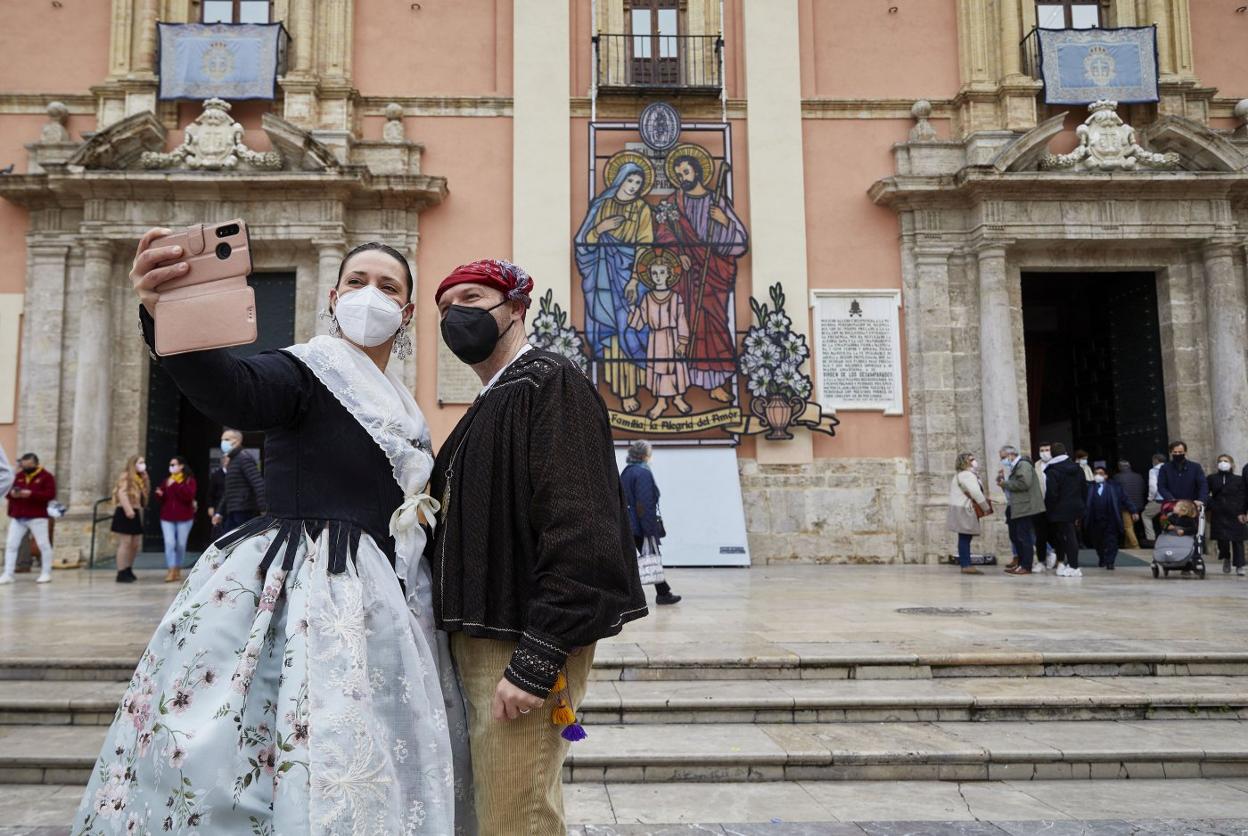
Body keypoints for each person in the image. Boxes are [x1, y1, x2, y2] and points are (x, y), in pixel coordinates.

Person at [74, 233, 466, 834]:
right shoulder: (305, 370)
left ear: (408, 313)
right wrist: (162, 311)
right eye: (357, 282)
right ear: (333, 297)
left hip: (380, 605)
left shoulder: (403, 409)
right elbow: (232, 388)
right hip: (303, 597)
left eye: (388, 287)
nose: (370, 296)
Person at [431, 258, 647, 836]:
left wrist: (537, 658)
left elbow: (583, 529)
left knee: (516, 816)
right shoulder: (497, 397)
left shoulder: (548, 383)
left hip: (519, 642)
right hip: (484, 637)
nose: (456, 316)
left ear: (517, 309)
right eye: (446, 308)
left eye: (472, 300)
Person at [652, 146, 749, 403]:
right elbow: (662, 235)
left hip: (714, 274)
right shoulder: (673, 204)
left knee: (714, 325)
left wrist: (724, 221)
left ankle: (716, 383)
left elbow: (739, 242)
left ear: (697, 170)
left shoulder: (717, 203)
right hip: (686, 277)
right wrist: (678, 253)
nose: (683, 176)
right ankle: (684, 380)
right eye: (679, 173)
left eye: (686, 170)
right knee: (685, 324)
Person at [575, 157, 654, 412]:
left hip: (631, 278)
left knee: (631, 328)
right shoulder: (602, 206)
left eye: (639, 182)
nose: (634, 186)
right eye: (630, 180)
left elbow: (645, 245)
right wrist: (600, 229)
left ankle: (634, 386)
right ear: (620, 179)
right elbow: (583, 243)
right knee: (612, 332)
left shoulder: (642, 209)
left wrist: (634, 279)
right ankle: (624, 391)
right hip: (603, 279)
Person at [627, 250, 692, 419]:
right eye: (654, 273)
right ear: (649, 275)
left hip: (673, 337)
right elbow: (639, 323)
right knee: (659, 370)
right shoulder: (647, 298)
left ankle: (678, 398)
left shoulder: (675, 297)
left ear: (669, 274)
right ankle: (661, 402)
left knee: (675, 368)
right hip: (656, 340)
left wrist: (683, 342)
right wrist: (632, 308)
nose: (658, 276)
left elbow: (682, 320)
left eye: (662, 272)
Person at [620, 439, 682, 604]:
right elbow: (644, 503)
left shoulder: (627, 471)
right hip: (639, 525)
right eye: (649, 453)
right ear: (643, 455)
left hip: (627, 523)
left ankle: (663, 591)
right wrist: (649, 530)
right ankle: (661, 593)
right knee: (649, 557)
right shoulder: (643, 473)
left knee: (640, 559)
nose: (650, 456)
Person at [1, 453, 56, 585]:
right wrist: (13, 494)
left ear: (35, 464)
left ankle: (46, 573)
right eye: (24, 466)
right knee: (11, 545)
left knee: (43, 545)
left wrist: (31, 494)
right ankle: (8, 574)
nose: (25, 468)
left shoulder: (46, 477)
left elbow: (50, 494)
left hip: (37, 516)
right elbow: (6, 491)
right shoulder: (18, 476)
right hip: (18, 516)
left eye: (29, 466)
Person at [999, 445, 1044, 576]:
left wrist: (1005, 483)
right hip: (1018, 506)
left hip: (1025, 507)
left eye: (1003, 458)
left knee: (1024, 537)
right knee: (1017, 536)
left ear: (1010, 455)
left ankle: (1026, 565)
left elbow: (1024, 483)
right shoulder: (1015, 467)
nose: (1002, 460)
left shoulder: (1023, 465)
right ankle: (1020, 564)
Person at [1043, 442, 1086, 578]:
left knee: (1067, 537)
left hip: (1060, 508)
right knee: (1069, 536)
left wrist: (1049, 509)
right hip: (1076, 505)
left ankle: (1074, 566)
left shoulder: (1053, 470)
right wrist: (1082, 505)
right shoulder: (1078, 468)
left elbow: (1052, 493)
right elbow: (1084, 488)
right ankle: (1070, 564)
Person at [1083, 465, 1138, 571]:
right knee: (1098, 542)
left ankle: (1110, 562)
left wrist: (1133, 510)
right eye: (1096, 474)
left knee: (1111, 541)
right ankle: (1102, 558)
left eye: (1101, 474)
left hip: (1110, 519)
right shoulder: (1089, 487)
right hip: (1095, 520)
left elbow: (1125, 499)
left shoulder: (1115, 487)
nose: (1098, 476)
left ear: (1106, 476)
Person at [154, 456, 197, 584]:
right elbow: (162, 499)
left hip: (184, 517)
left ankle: (178, 566)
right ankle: (171, 569)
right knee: (169, 542)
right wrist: (159, 494)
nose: (171, 467)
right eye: (170, 465)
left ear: (181, 466)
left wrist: (176, 485)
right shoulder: (167, 480)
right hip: (167, 517)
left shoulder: (189, 480)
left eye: (174, 464)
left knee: (180, 544)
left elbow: (188, 496)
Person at [110, 456, 150, 584]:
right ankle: (121, 571)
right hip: (125, 511)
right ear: (134, 464)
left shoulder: (140, 478)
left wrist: (146, 478)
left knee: (135, 543)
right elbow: (122, 493)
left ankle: (128, 568)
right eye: (140, 462)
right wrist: (128, 510)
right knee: (125, 542)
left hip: (135, 511)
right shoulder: (126, 476)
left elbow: (145, 495)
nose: (143, 464)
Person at [947, 452, 987, 576]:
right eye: (971, 459)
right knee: (965, 537)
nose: (974, 461)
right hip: (965, 509)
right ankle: (966, 565)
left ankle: (966, 563)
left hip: (958, 508)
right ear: (965, 462)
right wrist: (984, 506)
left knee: (963, 537)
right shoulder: (968, 475)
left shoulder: (959, 475)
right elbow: (975, 492)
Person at [217, 428, 265, 531]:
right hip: (234, 510)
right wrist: (219, 513)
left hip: (244, 510)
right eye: (222, 439)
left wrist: (263, 509)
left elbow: (258, 483)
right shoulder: (233, 460)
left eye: (226, 439)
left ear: (237, 440)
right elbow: (228, 490)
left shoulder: (243, 458)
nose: (223, 442)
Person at [1209, 454, 1247, 576]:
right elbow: (1205, 493)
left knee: (1238, 540)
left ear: (1232, 464)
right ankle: (1226, 557)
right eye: (1220, 461)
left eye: (1226, 461)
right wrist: (1211, 505)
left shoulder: (1239, 479)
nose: (1223, 463)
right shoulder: (1212, 478)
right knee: (1222, 540)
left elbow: (1243, 496)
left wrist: (1243, 511)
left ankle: (1240, 565)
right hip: (1219, 513)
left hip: (1235, 513)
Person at [1157, 440, 1209, 505]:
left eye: (1180, 452)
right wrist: (1171, 499)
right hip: (1173, 505)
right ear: (1171, 452)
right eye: (1175, 452)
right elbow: (1161, 486)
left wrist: (1201, 500)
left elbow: (1203, 485)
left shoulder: (1195, 467)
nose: (1177, 454)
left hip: (1192, 504)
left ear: (1185, 452)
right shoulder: (1165, 468)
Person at [1032, 442, 1056, 571]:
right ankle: (1041, 560)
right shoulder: (1036, 466)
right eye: (1042, 450)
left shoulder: (1057, 465)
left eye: (1047, 449)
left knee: (1056, 532)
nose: (1044, 452)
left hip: (1055, 504)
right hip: (1040, 504)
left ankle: (1059, 559)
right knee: (1040, 534)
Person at [1113, 459, 1147, 549]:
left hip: (1125, 506)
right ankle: (1127, 545)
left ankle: (1135, 546)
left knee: (1128, 527)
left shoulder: (1117, 477)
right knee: (1132, 526)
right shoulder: (1138, 476)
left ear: (1120, 467)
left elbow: (1116, 492)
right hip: (1138, 504)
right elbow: (1143, 489)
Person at [1142, 452, 1167, 544]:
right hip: (1170, 500)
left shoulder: (1153, 470)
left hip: (1159, 500)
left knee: (1145, 515)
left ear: (1156, 460)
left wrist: (1150, 498)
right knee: (1165, 517)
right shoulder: (1170, 469)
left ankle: (1151, 538)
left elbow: (1153, 487)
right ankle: (1166, 536)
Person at [206, 453, 229, 540]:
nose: (228, 462)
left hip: (232, 506)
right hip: (218, 506)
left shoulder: (236, 473)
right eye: (226, 459)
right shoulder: (216, 475)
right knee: (218, 530)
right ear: (222, 461)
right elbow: (210, 492)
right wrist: (210, 506)